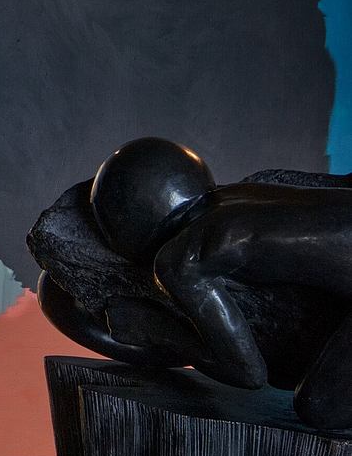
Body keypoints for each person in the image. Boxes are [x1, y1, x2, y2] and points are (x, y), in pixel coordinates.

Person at [35, 136, 352, 430]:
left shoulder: (184, 259)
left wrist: (154, 326)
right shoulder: (242, 194)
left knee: (319, 406)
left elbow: (249, 374)